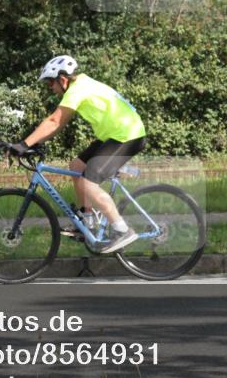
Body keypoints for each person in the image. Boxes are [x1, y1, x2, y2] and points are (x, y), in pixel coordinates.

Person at [8, 55, 146, 253]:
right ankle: (86, 221)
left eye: (50, 83)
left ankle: (121, 229)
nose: (51, 89)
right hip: (113, 135)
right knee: (77, 166)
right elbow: (58, 125)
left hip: (128, 135)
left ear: (62, 79)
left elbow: (55, 121)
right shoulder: (81, 85)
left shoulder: (78, 89)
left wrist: (23, 144)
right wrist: (33, 143)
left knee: (90, 182)